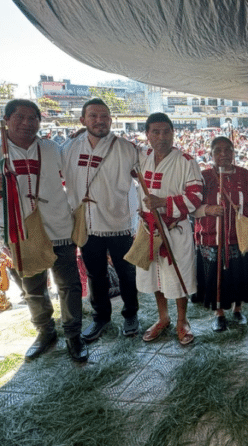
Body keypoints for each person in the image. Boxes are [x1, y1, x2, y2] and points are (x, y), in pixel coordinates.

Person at [0, 100, 86, 362]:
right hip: (20, 231)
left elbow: (72, 173)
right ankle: (46, 332)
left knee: (69, 284)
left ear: (39, 121)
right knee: (33, 288)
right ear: (6, 120)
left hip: (58, 226)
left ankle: (73, 335)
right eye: (20, 117)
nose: (27, 123)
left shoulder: (51, 147)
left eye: (32, 118)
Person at [61, 98, 140, 341]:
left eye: (104, 116)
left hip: (119, 223)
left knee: (127, 272)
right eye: (93, 116)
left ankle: (130, 314)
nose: (99, 120)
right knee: (96, 274)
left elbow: (146, 177)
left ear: (111, 120)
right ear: (82, 120)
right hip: (87, 224)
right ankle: (101, 318)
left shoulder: (127, 148)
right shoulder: (68, 148)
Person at [136, 113, 202, 345]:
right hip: (147, 229)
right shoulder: (141, 156)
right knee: (155, 276)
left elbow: (196, 197)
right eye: (155, 132)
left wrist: (163, 202)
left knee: (178, 275)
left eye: (166, 131)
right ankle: (162, 318)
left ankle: (182, 321)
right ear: (147, 135)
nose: (161, 137)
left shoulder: (186, 161)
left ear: (173, 133)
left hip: (175, 229)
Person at [194, 137, 248, 332]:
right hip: (212, 236)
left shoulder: (245, 175)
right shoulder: (202, 177)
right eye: (218, 150)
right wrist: (208, 209)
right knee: (215, 276)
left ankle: (238, 309)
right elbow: (190, 206)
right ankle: (218, 313)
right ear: (210, 154)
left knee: (239, 275)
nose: (223, 154)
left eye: (228, 150)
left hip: (239, 236)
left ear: (234, 153)